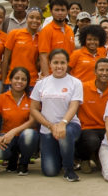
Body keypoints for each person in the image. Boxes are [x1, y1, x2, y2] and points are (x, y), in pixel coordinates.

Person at [30, 49, 82, 181]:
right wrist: (50, 125)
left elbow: (74, 106)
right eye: (55, 62)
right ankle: (61, 154)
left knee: (65, 133)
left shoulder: (75, 83)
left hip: (70, 126)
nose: (59, 66)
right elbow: (34, 109)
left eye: (63, 63)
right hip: (47, 129)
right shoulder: (41, 83)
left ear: (67, 64)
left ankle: (69, 169)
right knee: (50, 171)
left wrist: (63, 123)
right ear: (50, 64)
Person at [0, 67, 39, 175]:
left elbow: (33, 122)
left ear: (27, 82)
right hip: (6, 135)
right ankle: (12, 159)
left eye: (23, 79)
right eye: (16, 78)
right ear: (10, 80)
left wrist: (14, 131)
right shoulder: (2, 98)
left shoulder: (32, 98)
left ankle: (24, 163)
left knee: (30, 134)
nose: (19, 81)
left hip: (25, 135)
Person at [76, 58, 108, 174]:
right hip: (87, 128)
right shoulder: (83, 88)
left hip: (107, 128)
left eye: (107, 70)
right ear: (95, 72)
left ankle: (97, 156)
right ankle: (84, 158)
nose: (104, 73)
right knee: (92, 141)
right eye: (101, 70)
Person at [1, 6, 43, 91]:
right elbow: (5, 59)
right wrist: (3, 80)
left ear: (41, 21)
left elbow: (40, 60)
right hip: (13, 79)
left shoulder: (41, 38)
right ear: (27, 19)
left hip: (32, 81)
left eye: (38, 18)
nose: (34, 20)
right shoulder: (14, 34)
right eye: (31, 17)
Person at [38, 0, 75, 77]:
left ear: (67, 11)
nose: (60, 13)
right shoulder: (46, 30)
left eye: (63, 10)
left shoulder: (69, 30)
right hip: (52, 75)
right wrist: (47, 78)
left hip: (67, 75)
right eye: (57, 10)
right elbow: (43, 56)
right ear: (51, 12)